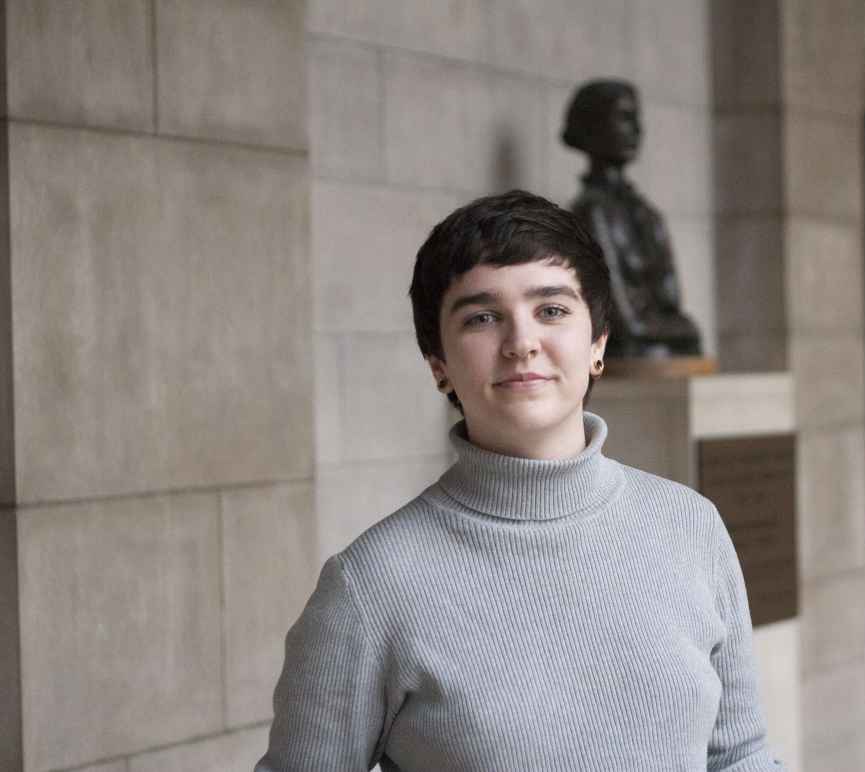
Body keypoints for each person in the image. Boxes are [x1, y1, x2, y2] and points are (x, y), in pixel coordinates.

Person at [256, 190, 784, 771]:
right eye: (482, 317)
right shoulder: (370, 589)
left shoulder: (691, 526)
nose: (521, 342)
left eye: (552, 310)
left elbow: (740, 755)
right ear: (439, 365)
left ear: (597, 346)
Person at [563, 79, 703, 359]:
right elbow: (627, 324)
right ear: (593, 127)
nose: (636, 130)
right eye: (624, 118)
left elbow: (671, 304)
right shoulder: (592, 212)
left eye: (637, 118)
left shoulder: (648, 215)